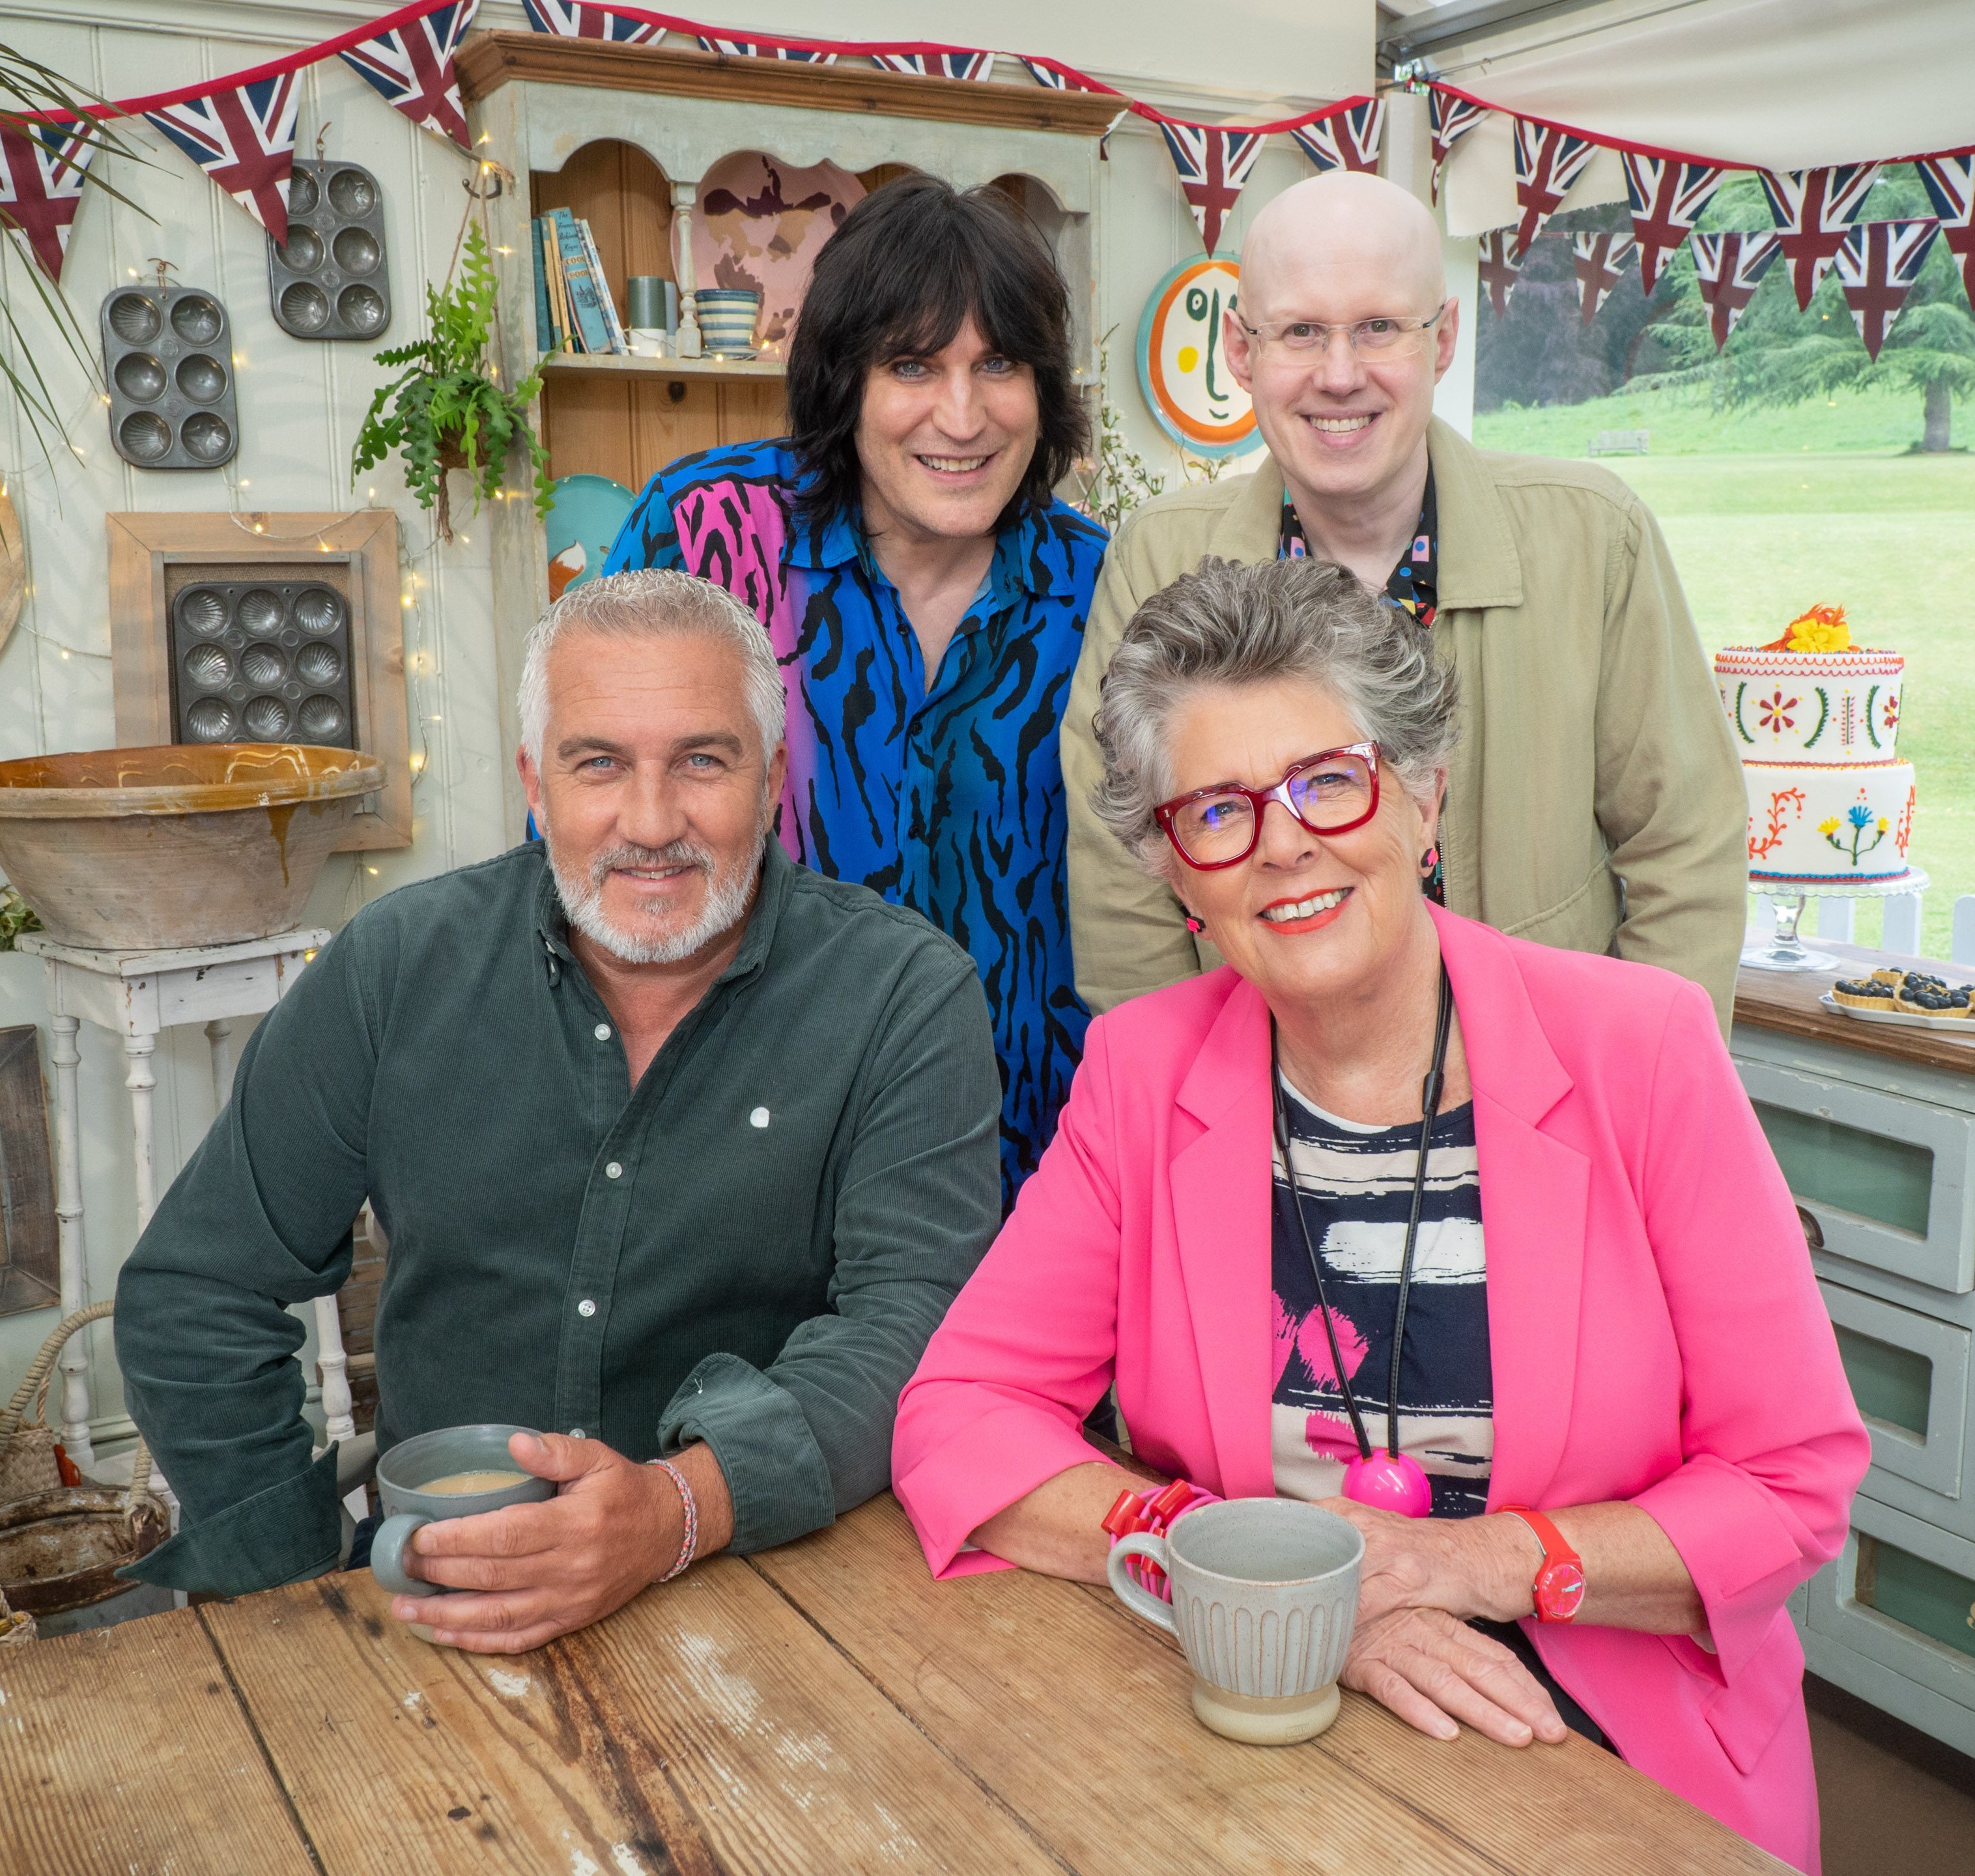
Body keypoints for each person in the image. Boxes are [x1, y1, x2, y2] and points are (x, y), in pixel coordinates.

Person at [894, 558, 1862, 1871]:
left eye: (1329, 781)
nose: (1284, 842)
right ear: (1178, 875)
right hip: (1262, 1716)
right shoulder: (1140, 1073)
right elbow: (960, 1416)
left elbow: (1790, 1483)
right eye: (1217, 813)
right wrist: (1250, 1572)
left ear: (1424, 796)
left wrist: (1467, 1567)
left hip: (1607, 1754)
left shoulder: (1641, 1048)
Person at [116, 570, 1002, 1648]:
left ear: (773, 781)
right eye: (600, 764)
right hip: (436, 1610)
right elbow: (194, 1293)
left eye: (703, 761)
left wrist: (680, 1510)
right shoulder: (398, 968)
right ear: (535, 785)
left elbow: (911, 1328)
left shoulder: (904, 994)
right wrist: (302, 1579)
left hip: (768, 1594)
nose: (651, 821)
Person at [1062, 169, 1747, 1033]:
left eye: (1379, 327)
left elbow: (1684, 849)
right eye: (1301, 332)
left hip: (1548, 1094)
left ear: (1445, 336)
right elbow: (1122, 871)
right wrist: (1183, 1102)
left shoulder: (1594, 537)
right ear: (1241, 351)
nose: (1339, 375)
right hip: (1258, 1099)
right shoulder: (1158, 556)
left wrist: (1637, 1100)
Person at [603, 173, 1104, 1197]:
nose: (961, 417)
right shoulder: (708, 534)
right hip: (749, 1155)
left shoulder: (1101, 586)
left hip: (1036, 1170)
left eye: (998, 364)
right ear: (844, 382)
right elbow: (592, 814)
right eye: (912, 364)